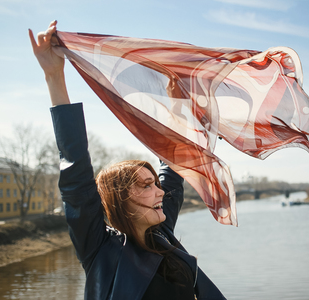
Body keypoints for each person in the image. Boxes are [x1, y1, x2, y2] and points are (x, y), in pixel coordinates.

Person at [29, 21, 226, 300]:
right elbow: (76, 170)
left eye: (155, 184)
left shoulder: (162, 231)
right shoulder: (100, 249)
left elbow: (172, 164)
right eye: (146, 185)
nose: (160, 191)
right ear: (121, 198)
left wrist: (177, 106)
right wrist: (53, 76)